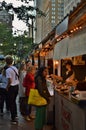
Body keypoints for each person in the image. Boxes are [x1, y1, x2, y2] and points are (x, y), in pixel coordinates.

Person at [5, 55, 19, 125]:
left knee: (11, 103)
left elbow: (10, 81)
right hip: (17, 86)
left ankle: (13, 118)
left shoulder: (8, 70)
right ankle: (15, 115)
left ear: (6, 62)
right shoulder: (15, 68)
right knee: (14, 101)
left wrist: (7, 87)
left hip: (12, 87)